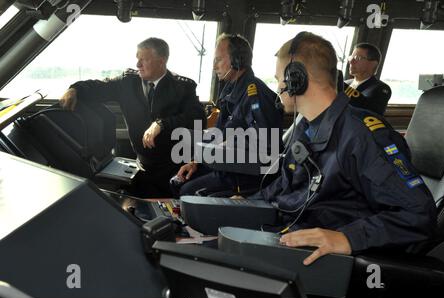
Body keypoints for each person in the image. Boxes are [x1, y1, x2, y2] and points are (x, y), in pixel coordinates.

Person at [256, 32, 436, 265]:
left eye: (279, 78)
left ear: (296, 79)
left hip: (333, 260)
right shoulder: (305, 128)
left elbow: (419, 214)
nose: (278, 86)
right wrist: (247, 203)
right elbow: (286, 186)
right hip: (292, 234)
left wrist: (347, 238)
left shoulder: (362, 136)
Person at [59, 37, 206, 198]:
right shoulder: (127, 82)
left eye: (144, 59)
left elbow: (197, 118)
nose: (138, 65)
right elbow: (99, 87)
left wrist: (162, 124)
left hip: (173, 168)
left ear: (161, 61)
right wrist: (75, 89)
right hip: (142, 166)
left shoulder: (182, 87)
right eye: (137, 59)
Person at [174, 33, 283, 197]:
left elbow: (268, 146)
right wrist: (197, 162)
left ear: (237, 60)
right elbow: (219, 134)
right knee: (177, 181)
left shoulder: (255, 95)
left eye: (218, 59)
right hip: (226, 167)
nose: (214, 66)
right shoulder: (230, 92)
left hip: (245, 176)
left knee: (187, 191)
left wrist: (232, 142)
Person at [344, 43, 392, 115]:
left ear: (373, 64)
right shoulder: (346, 83)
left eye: (357, 58)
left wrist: (341, 86)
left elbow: (368, 108)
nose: (351, 61)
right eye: (351, 57)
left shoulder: (381, 89)